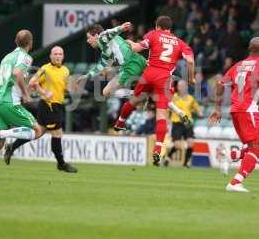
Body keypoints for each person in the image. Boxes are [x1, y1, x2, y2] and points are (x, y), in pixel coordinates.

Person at [209, 37, 259, 193]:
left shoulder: (238, 65)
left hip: (235, 110)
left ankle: (230, 156)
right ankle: (235, 182)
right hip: (249, 110)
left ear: (249, 49)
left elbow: (219, 83)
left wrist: (217, 108)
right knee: (257, 147)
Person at [114, 16, 195, 166]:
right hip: (165, 78)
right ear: (170, 29)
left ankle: (120, 122)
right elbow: (190, 61)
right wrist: (191, 77)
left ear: (157, 26)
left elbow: (137, 48)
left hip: (149, 73)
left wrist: (130, 43)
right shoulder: (180, 42)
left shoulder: (153, 34)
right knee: (161, 115)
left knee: (134, 99)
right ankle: (158, 147)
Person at [78, 21, 189, 119]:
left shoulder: (102, 38)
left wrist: (120, 28)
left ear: (96, 35)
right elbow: (100, 66)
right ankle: (179, 112)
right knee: (156, 91)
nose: (88, 41)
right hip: (139, 60)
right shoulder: (105, 49)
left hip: (129, 67)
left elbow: (108, 33)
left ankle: (139, 95)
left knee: (106, 92)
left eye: (89, 37)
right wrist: (86, 76)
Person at [0, 30, 46, 180]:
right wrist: (26, 95)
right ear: (30, 43)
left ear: (16, 41)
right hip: (9, 102)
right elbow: (17, 73)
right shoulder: (25, 57)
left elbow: (9, 76)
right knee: (38, 130)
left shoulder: (7, 57)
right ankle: (2, 134)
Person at [4, 46, 78, 173]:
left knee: (38, 132)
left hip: (58, 106)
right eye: (55, 54)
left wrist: (72, 87)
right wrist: (44, 92)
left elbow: (66, 87)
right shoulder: (45, 69)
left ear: (63, 56)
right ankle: (61, 163)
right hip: (48, 106)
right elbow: (32, 83)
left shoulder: (65, 70)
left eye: (60, 54)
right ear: (50, 56)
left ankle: (12, 146)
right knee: (57, 133)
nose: (58, 56)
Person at [164, 80, 203, 168]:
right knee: (177, 145)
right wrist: (167, 120)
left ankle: (186, 163)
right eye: (180, 86)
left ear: (186, 87)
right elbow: (167, 110)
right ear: (177, 87)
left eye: (183, 86)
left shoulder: (190, 98)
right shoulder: (173, 98)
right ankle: (168, 158)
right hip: (177, 123)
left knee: (190, 143)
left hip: (188, 123)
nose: (181, 87)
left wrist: (200, 112)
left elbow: (196, 107)